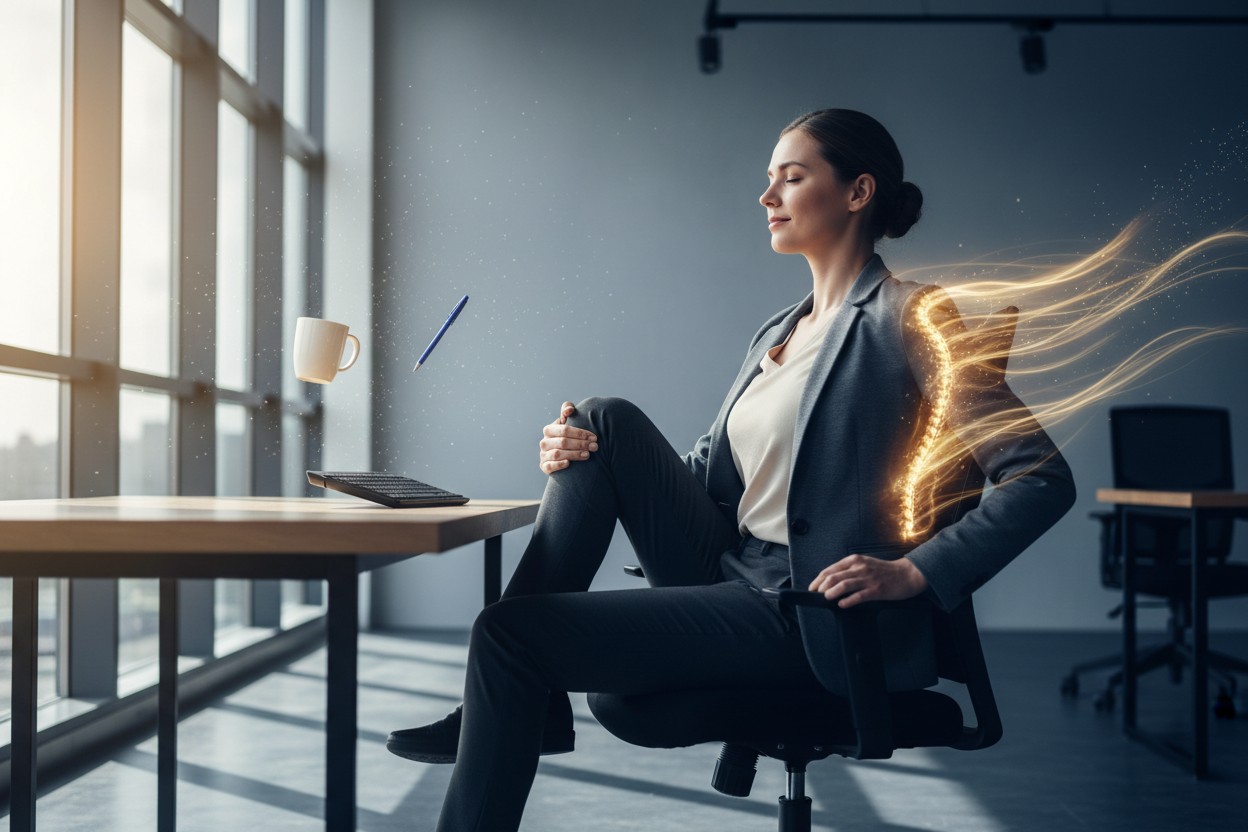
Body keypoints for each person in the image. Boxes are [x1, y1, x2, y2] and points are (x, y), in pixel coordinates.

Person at [387, 109, 1077, 831]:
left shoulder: (911, 318)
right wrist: (573, 452)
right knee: (598, 419)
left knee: (508, 633)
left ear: (857, 191)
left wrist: (917, 572)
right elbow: (708, 474)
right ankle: (533, 706)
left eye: (792, 177)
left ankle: (525, 710)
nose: (767, 196)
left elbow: (1039, 477)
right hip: (730, 568)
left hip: (805, 607)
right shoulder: (779, 330)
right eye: (769, 178)